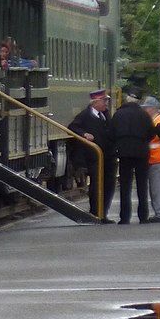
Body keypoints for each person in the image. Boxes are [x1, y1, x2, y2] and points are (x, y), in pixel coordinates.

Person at [68, 88, 116, 221]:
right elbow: (72, 127)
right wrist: (84, 134)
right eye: (104, 100)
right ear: (95, 102)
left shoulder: (105, 115)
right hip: (95, 157)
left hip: (108, 156)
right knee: (96, 185)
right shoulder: (85, 115)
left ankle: (103, 213)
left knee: (109, 185)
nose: (106, 103)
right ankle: (95, 212)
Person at [111, 93, 157, 224]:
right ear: (138, 101)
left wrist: (120, 144)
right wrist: (142, 142)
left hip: (124, 153)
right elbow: (152, 132)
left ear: (127, 100)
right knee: (142, 185)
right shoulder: (143, 115)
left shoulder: (118, 114)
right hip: (141, 152)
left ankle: (124, 217)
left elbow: (111, 133)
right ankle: (143, 216)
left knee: (125, 185)